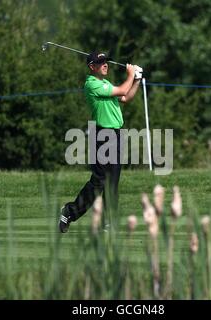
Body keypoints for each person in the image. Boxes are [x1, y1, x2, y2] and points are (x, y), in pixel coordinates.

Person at [59, 51, 143, 233]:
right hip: (103, 135)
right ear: (92, 66)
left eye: (106, 62)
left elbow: (126, 97)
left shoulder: (105, 83)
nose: (105, 65)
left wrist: (136, 80)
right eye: (101, 62)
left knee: (112, 182)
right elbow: (122, 90)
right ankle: (69, 212)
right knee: (98, 182)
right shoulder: (92, 85)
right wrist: (130, 75)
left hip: (116, 134)